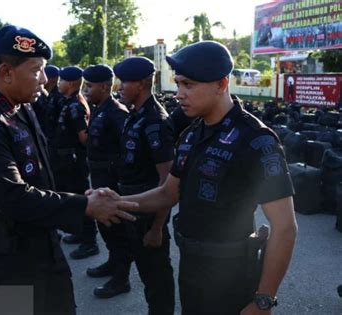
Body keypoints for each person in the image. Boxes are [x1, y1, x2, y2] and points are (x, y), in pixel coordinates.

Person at [101, 41, 298, 314]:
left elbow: (285, 227)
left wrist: (263, 300)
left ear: (221, 84)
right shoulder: (193, 134)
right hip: (192, 266)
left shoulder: (256, 140)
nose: (179, 94)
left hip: (233, 274)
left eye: (189, 85)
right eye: (178, 83)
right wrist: (117, 202)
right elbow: (168, 193)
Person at [0, 25, 137, 315]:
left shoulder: (18, 107)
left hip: (40, 243)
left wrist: (81, 196)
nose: (44, 78)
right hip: (11, 256)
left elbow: (42, 174)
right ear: (6, 72)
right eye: (36, 70)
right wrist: (85, 206)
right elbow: (14, 197)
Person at [111, 56, 176, 313]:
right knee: (147, 271)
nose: (120, 87)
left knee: (157, 274)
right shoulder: (136, 114)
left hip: (149, 214)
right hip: (133, 207)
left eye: (124, 82)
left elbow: (167, 181)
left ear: (141, 84)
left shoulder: (155, 121)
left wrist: (157, 228)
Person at [82, 64, 133, 298]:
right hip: (99, 176)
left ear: (104, 87)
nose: (85, 90)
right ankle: (112, 263)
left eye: (89, 86)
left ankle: (121, 279)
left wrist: (117, 185)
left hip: (111, 181)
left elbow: (126, 153)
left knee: (118, 231)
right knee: (106, 228)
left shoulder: (116, 112)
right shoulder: (100, 108)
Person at [49, 66, 99, 259]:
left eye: (61, 80)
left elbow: (84, 138)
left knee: (81, 199)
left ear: (69, 83)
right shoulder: (69, 102)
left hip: (73, 161)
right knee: (72, 198)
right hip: (64, 159)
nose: (58, 83)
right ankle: (80, 233)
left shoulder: (76, 105)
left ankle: (90, 242)